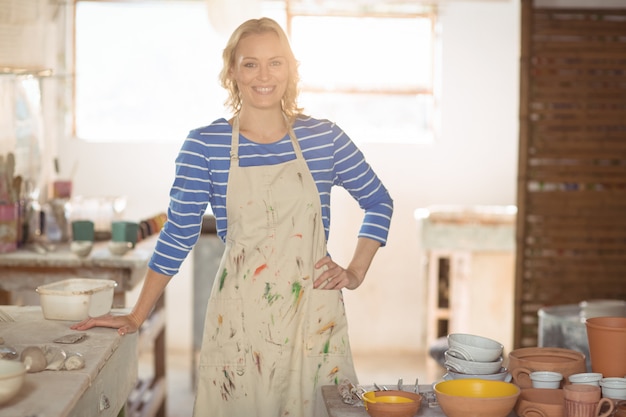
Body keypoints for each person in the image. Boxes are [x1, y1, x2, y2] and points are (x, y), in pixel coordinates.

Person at [72, 17, 393, 417]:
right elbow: (178, 235)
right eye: (250, 63)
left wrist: (356, 272)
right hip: (241, 322)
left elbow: (379, 201)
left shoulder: (323, 138)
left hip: (314, 318)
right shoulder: (205, 145)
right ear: (232, 72)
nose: (264, 75)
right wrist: (138, 314)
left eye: (276, 62)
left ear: (291, 69)